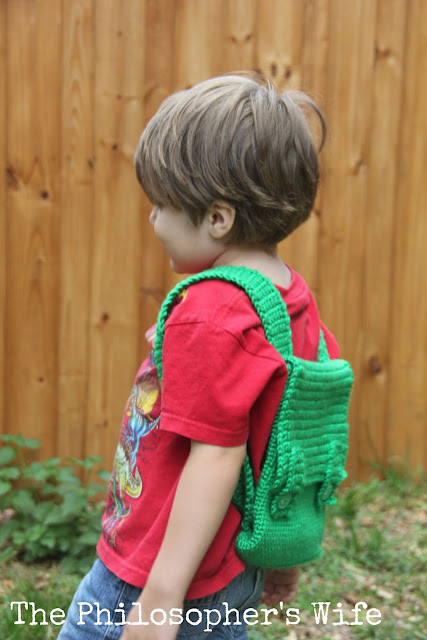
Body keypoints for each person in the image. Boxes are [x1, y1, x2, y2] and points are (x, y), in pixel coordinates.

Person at [59, 72, 339, 640]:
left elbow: (217, 458)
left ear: (217, 218)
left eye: (161, 206)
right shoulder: (289, 301)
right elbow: (293, 444)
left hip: (153, 578)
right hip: (233, 572)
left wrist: (160, 596)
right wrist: (281, 557)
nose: (152, 220)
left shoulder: (210, 311)